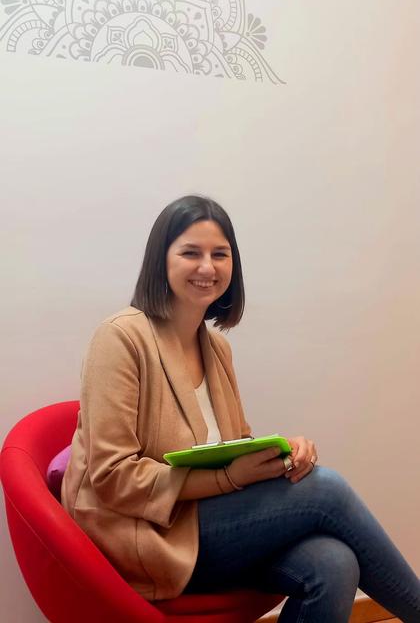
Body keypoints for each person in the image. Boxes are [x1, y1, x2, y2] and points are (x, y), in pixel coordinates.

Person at [62, 194, 420, 622]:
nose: (208, 267)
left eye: (220, 254)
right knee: (326, 489)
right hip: (146, 536)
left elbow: (228, 445)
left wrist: (277, 453)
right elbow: (112, 477)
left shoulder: (216, 348)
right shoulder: (120, 339)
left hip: (206, 527)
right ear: (162, 260)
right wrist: (232, 477)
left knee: (333, 561)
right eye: (190, 253)